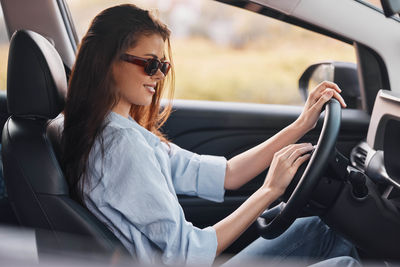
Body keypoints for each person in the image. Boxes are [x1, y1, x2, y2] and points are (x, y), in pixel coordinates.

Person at [61, 4, 360, 267]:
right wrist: (269, 191)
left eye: (163, 65)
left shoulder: (116, 131)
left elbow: (226, 174)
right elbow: (188, 253)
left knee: (321, 227)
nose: (160, 75)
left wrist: (300, 126)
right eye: (150, 64)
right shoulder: (119, 145)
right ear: (107, 60)